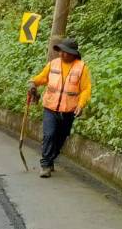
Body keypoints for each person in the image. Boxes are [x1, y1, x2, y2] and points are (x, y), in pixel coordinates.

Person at [27, 38, 93, 178]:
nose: (62, 55)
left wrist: (80, 105)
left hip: (68, 110)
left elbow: (86, 89)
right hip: (50, 107)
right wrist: (33, 83)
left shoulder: (81, 68)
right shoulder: (53, 64)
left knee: (61, 138)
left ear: (74, 54)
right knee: (49, 135)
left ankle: (50, 159)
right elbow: (42, 78)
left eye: (66, 52)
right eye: (61, 52)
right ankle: (45, 165)